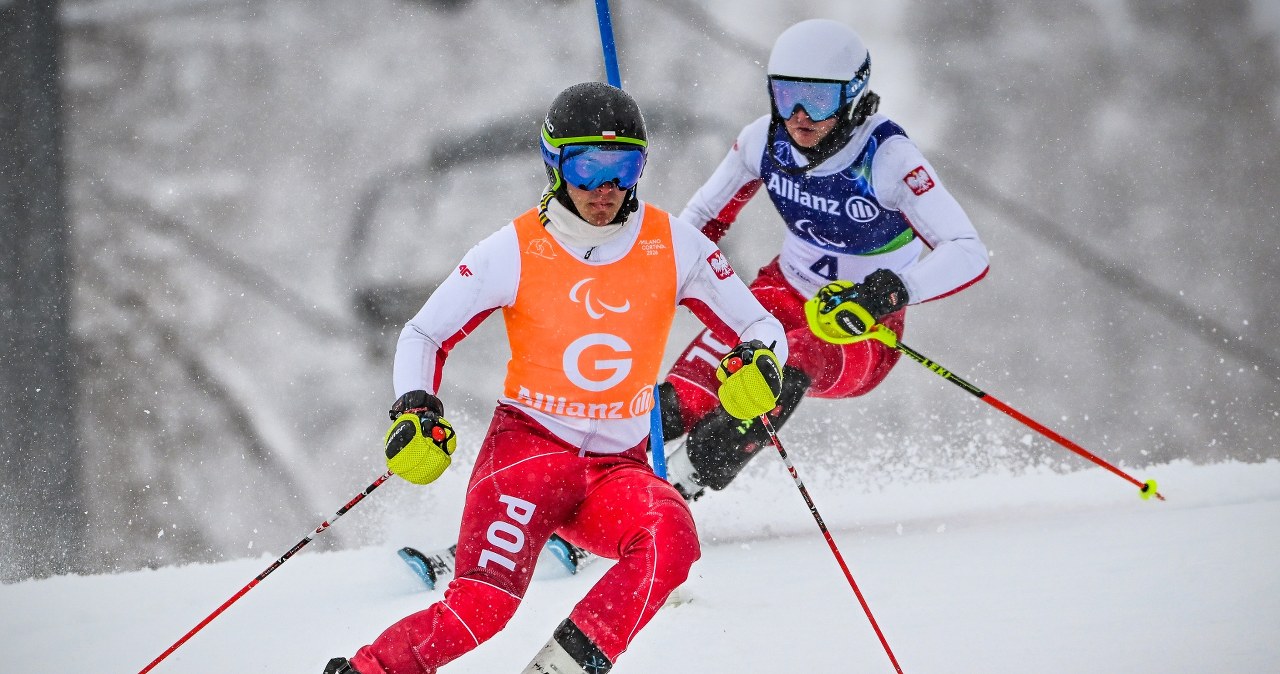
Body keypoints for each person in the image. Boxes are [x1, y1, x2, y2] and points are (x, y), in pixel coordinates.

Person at [324, 82, 789, 674]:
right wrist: (416, 407)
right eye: (586, 164)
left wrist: (759, 362)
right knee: (480, 612)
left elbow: (760, 324)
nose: (605, 187)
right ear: (554, 163)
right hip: (529, 453)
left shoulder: (675, 246)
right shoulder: (515, 248)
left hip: (617, 469)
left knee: (671, 536)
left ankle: (559, 669)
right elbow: (424, 334)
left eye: (623, 166)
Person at [656, 18, 990, 501]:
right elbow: (702, 219)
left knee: (779, 369)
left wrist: (893, 290)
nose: (798, 116)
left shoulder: (887, 158)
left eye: (817, 99)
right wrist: (659, 275)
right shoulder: (761, 142)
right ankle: (584, 488)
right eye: (785, 94)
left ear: (853, 95)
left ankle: (675, 488)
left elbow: (968, 251)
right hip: (778, 292)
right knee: (677, 402)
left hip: (856, 326)